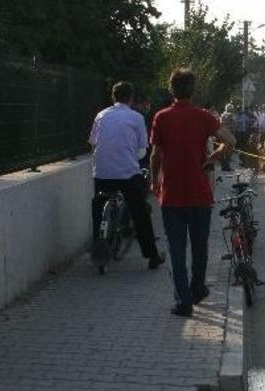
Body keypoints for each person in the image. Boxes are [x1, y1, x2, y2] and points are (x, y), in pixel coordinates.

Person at [150, 68, 236, 317]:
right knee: (200, 247)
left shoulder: (161, 117)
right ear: (193, 90)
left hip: (172, 195)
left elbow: (156, 154)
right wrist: (215, 156)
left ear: (171, 89)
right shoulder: (204, 117)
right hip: (199, 193)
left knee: (177, 251)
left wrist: (155, 181)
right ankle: (197, 288)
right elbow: (230, 140)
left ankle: (183, 302)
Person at [89, 81, 164, 270]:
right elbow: (142, 149)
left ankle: (98, 246)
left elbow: (93, 143)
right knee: (140, 212)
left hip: (102, 173)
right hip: (127, 174)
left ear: (113, 97)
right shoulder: (136, 118)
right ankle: (152, 255)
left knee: (98, 205)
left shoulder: (101, 115)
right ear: (131, 98)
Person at [219, 103, 237, 171]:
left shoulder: (222, 114)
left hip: (221, 133)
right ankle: (227, 166)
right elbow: (233, 125)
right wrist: (233, 134)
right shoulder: (231, 115)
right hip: (228, 134)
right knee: (229, 151)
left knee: (223, 150)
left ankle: (223, 165)